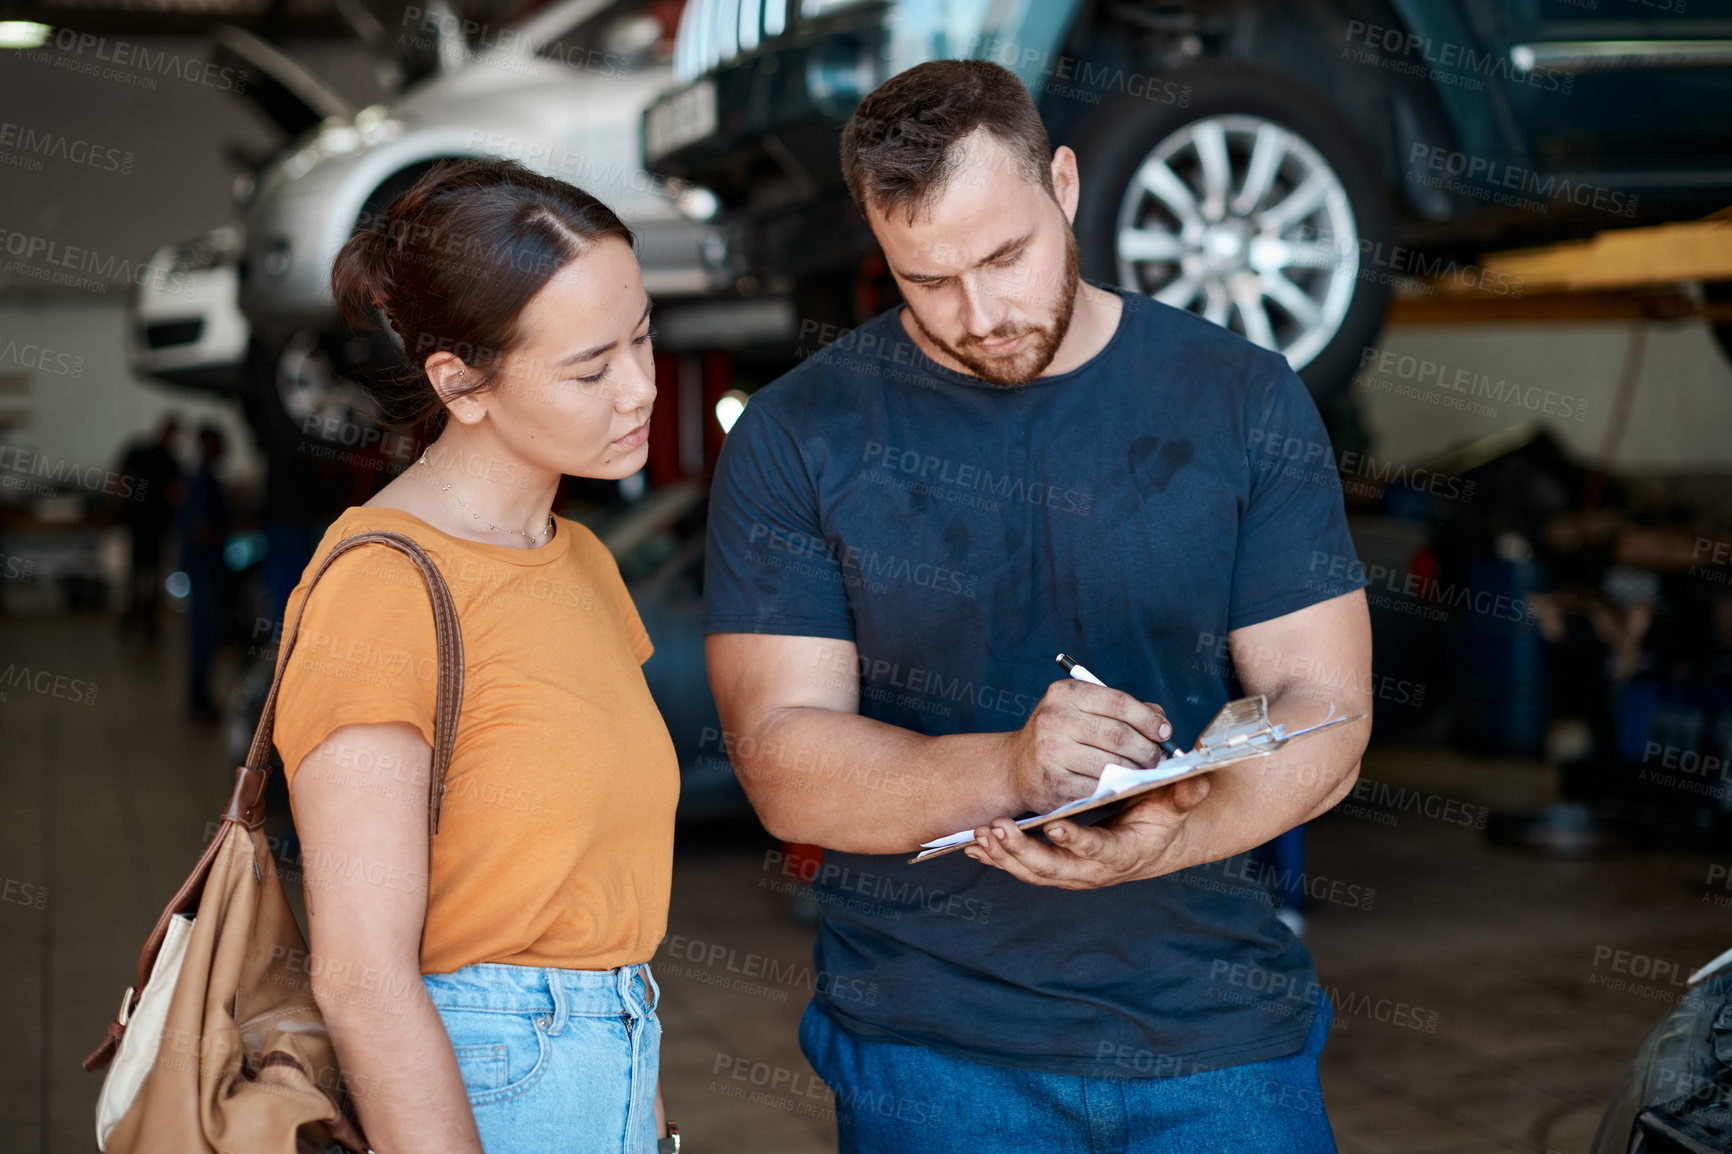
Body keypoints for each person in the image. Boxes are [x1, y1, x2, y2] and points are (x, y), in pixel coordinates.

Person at [702, 60, 1373, 1151]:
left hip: (1217, 1036)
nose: (980, 314)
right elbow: (782, 761)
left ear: (1063, 183)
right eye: (926, 279)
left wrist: (1168, 836)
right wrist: (1012, 771)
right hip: (933, 1049)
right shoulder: (795, 435)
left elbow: (1326, 709)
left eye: (1005, 256)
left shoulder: (1239, 395)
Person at [270, 158, 680, 1154]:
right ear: (459, 381)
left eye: (642, 338)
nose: (639, 388)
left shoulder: (578, 557)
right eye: (590, 368)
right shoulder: (383, 585)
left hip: (610, 1050)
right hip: (487, 1072)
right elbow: (361, 975)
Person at [180, 423, 231, 721]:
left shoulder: (202, 478)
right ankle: (198, 704)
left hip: (204, 570)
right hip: (204, 573)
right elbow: (202, 529)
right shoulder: (203, 482)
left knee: (205, 639)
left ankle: (200, 700)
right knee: (204, 638)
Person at [116, 415, 183, 642]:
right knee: (142, 574)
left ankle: (141, 621)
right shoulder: (152, 454)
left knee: (143, 574)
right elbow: (120, 477)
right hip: (147, 524)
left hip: (148, 524)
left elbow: (121, 477)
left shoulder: (158, 456)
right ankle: (139, 620)